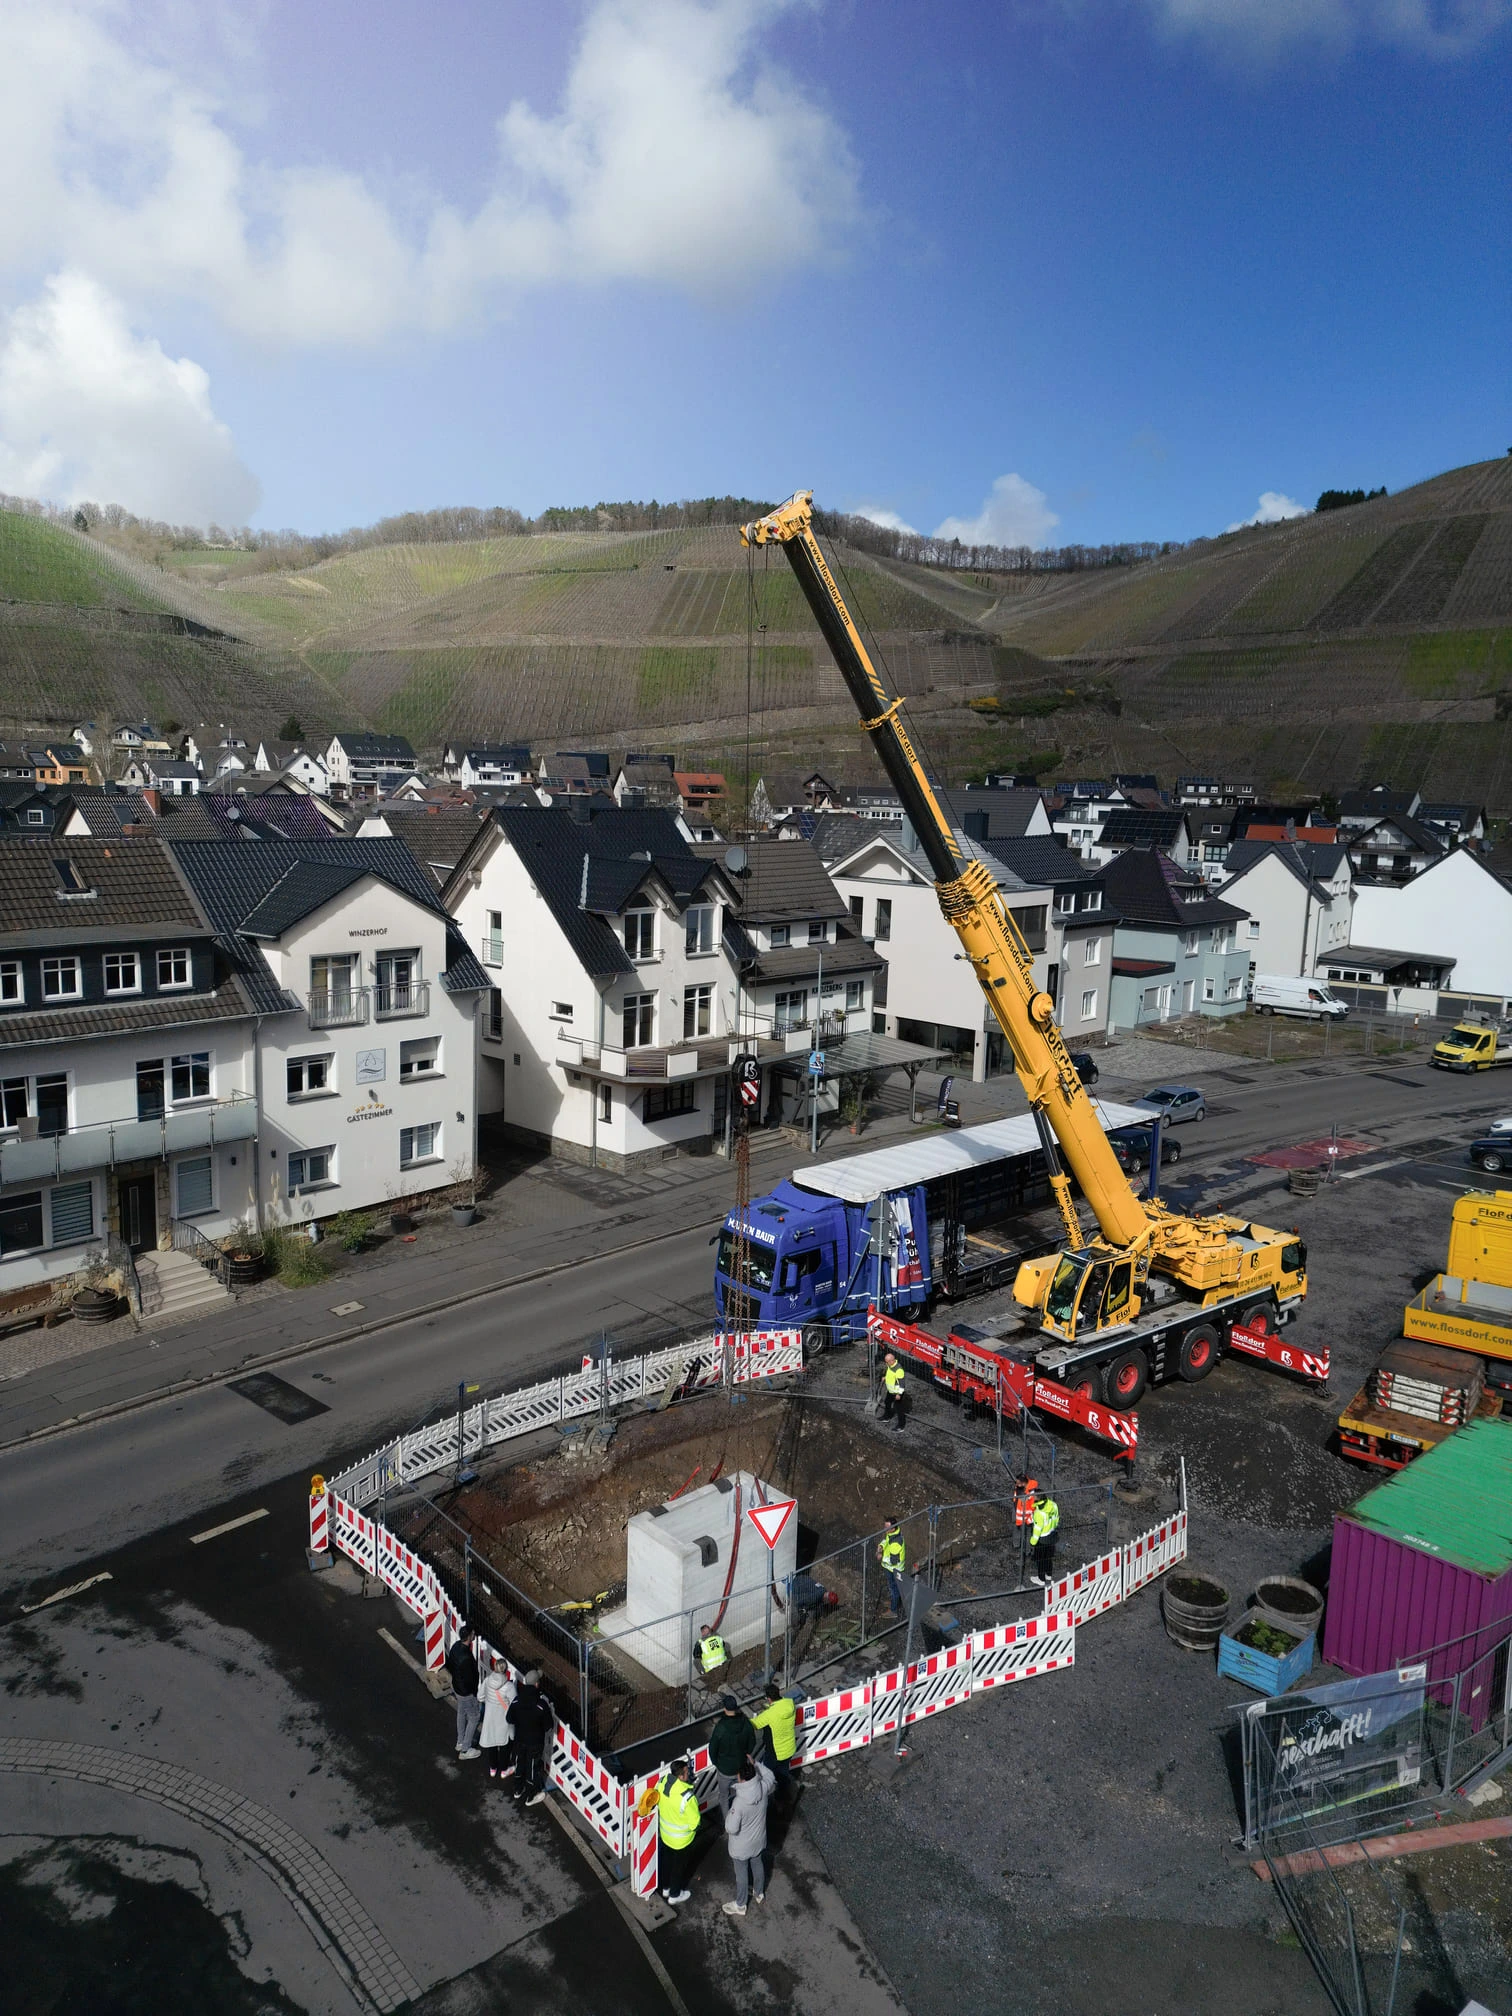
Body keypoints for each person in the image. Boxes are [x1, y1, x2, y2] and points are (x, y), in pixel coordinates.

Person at [722, 1753, 776, 1917]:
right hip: (758, 1840)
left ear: (742, 1779)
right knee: (758, 1864)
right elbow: (770, 1775)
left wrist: (729, 1817)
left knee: (742, 1874)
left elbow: (731, 1828)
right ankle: (759, 1893)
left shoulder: (739, 1803)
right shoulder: (763, 1787)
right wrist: (757, 1764)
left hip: (741, 1846)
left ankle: (741, 1904)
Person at [657, 1757, 701, 1905]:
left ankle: (665, 1888)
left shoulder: (662, 1782)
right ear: (681, 1776)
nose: (688, 1774)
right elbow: (695, 1823)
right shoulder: (688, 1797)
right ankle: (674, 1895)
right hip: (682, 1840)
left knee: (666, 1862)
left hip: (665, 1835)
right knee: (678, 1868)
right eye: (687, 1772)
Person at [509, 1668, 554, 1808]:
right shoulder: (541, 1705)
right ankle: (531, 1795)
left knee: (519, 1763)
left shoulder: (516, 1701)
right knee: (533, 1767)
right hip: (535, 1742)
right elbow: (548, 1726)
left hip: (520, 1739)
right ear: (536, 1684)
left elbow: (509, 1718)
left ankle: (517, 1789)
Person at [707, 1693, 756, 1816]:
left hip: (724, 1769)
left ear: (724, 1708)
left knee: (723, 1796)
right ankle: (740, 1814)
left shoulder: (721, 1728)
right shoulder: (745, 1723)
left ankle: (727, 1821)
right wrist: (746, 1753)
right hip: (740, 1766)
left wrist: (717, 1762)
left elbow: (713, 1748)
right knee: (739, 1792)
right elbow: (752, 1741)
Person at [750, 1680, 798, 1795]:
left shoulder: (770, 1714)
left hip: (775, 1752)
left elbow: (754, 1724)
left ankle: (765, 1794)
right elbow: (779, 1709)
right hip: (789, 1748)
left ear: (768, 1698)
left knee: (766, 1774)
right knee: (783, 1773)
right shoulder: (790, 1704)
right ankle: (783, 1793)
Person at [445, 1622, 482, 1760]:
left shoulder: (455, 1647)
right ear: (469, 1637)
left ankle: (460, 1741)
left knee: (461, 1713)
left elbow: (450, 1664)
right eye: (473, 1634)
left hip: (457, 1687)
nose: (474, 1635)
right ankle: (465, 1749)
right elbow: (470, 1679)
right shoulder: (466, 1658)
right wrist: (473, 1692)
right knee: (474, 1718)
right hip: (466, 1692)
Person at [479, 1656, 517, 1781]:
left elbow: (480, 1697)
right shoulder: (509, 1686)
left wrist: (490, 1703)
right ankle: (504, 1769)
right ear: (505, 1670)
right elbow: (514, 1704)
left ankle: (493, 1768)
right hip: (503, 1721)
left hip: (490, 1719)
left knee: (492, 1744)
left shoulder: (487, 1680)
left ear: (494, 1668)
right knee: (505, 1746)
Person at [1030, 1488, 1060, 1587]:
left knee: (1040, 1559)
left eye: (1034, 1497)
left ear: (1037, 1499)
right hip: (1052, 1534)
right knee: (1048, 1556)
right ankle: (1049, 1574)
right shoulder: (1053, 1505)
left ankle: (1041, 1579)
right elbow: (1056, 1518)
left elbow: (1037, 1530)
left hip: (1042, 1538)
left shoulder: (1039, 1513)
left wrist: (1033, 1542)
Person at [877, 1518, 906, 1620]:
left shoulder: (896, 1543)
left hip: (894, 1569)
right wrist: (881, 1546)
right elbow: (886, 1541)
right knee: (892, 1587)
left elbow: (894, 1560)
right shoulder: (892, 1534)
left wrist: (881, 1555)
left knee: (894, 1589)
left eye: (887, 1527)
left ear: (893, 1528)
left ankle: (893, 1610)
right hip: (890, 1568)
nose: (885, 1529)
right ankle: (894, 1602)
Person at [881, 1352, 907, 1431]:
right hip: (890, 1391)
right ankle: (887, 1417)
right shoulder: (890, 1365)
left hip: (897, 1393)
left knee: (899, 1409)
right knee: (887, 1403)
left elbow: (902, 1384)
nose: (886, 1363)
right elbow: (890, 1374)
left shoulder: (899, 1370)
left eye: (887, 1362)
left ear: (892, 1361)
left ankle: (901, 1426)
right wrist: (885, 1377)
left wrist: (899, 1394)